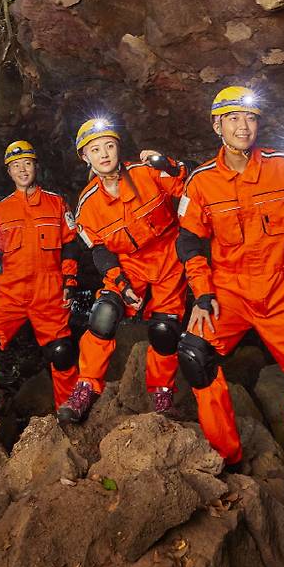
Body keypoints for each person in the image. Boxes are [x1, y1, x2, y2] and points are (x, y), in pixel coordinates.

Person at [175, 86, 284, 519]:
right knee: (195, 354)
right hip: (230, 291)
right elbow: (190, 241)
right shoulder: (201, 182)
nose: (243, 126)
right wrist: (202, 292)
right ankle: (228, 456)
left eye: (251, 118)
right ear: (217, 126)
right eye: (233, 118)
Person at [57, 118, 188, 423]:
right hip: (128, 264)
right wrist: (121, 282)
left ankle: (162, 394)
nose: (104, 154)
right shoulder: (88, 204)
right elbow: (99, 251)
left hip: (168, 259)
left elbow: (189, 187)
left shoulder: (147, 172)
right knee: (103, 315)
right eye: (95, 149)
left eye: (109, 146)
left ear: (119, 148)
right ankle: (85, 388)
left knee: (165, 330)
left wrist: (170, 165)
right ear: (85, 157)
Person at [0, 140, 79, 441]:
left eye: (27, 163)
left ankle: (68, 412)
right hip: (11, 292)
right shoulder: (2, 210)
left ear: (35, 166)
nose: (22, 169)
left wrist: (70, 281)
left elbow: (69, 245)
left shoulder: (56, 203)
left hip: (48, 290)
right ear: (9, 172)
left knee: (62, 351)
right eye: (16, 166)